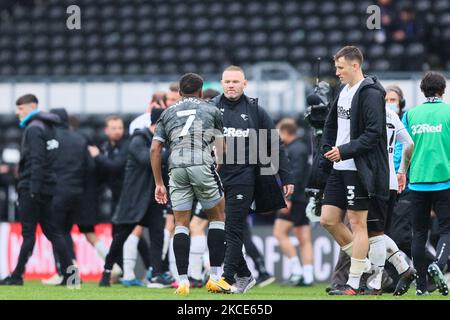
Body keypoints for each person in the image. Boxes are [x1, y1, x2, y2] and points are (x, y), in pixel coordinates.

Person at [209, 66, 294, 293]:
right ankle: (246, 275)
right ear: (221, 83)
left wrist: (285, 176)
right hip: (215, 177)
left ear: (244, 84)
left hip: (244, 177)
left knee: (235, 227)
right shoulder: (212, 108)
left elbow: (274, 144)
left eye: (235, 81)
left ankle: (227, 278)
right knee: (225, 228)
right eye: (227, 81)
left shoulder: (255, 110)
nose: (231, 85)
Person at [319, 46, 389, 295]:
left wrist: (344, 150)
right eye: (336, 67)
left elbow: (374, 134)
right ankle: (368, 266)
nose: (336, 72)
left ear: (355, 65)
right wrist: (327, 147)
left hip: (360, 167)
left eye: (340, 67)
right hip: (340, 165)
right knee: (327, 219)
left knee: (359, 224)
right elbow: (331, 125)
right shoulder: (343, 91)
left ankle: (354, 281)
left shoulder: (370, 93)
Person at [151, 73, 227, 295]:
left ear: (180, 93)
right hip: (201, 163)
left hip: (176, 167)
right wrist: (218, 166)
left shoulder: (167, 112)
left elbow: (155, 149)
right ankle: (214, 276)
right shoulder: (212, 110)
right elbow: (221, 146)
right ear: (201, 92)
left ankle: (183, 281)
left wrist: (159, 183)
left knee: (181, 224)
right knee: (217, 217)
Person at [0, 94, 74, 286]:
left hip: (33, 188)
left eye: (21, 108)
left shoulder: (33, 129)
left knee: (29, 234)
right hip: (47, 187)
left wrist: (32, 190)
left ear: (32, 106)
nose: (18, 112)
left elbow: (37, 161)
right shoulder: (48, 127)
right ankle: (72, 277)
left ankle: (17, 275)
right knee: (55, 233)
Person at [99, 108, 168, 287]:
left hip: (154, 197)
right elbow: (148, 159)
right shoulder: (138, 140)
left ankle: (157, 274)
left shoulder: (164, 142)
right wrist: (174, 154)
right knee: (121, 236)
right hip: (134, 198)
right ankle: (107, 270)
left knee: (157, 236)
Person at [405, 71, 450, 296]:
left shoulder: (411, 115)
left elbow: (405, 149)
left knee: (419, 233)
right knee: (447, 229)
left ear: (423, 90)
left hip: (418, 182)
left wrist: (401, 173)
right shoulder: (449, 112)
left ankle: (421, 286)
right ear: (443, 90)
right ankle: (439, 265)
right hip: (444, 181)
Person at [40, 108, 89, 285]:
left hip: (55, 193)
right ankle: (72, 275)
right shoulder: (80, 139)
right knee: (65, 233)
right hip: (76, 193)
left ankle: (63, 272)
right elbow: (88, 167)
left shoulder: (51, 139)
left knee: (56, 233)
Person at [273, 118, 314, 286]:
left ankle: (296, 271)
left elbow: (295, 175)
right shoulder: (302, 148)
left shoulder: (294, 150)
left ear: (284, 132)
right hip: (303, 197)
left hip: (295, 198)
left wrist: (287, 198)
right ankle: (308, 275)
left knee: (279, 232)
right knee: (303, 237)